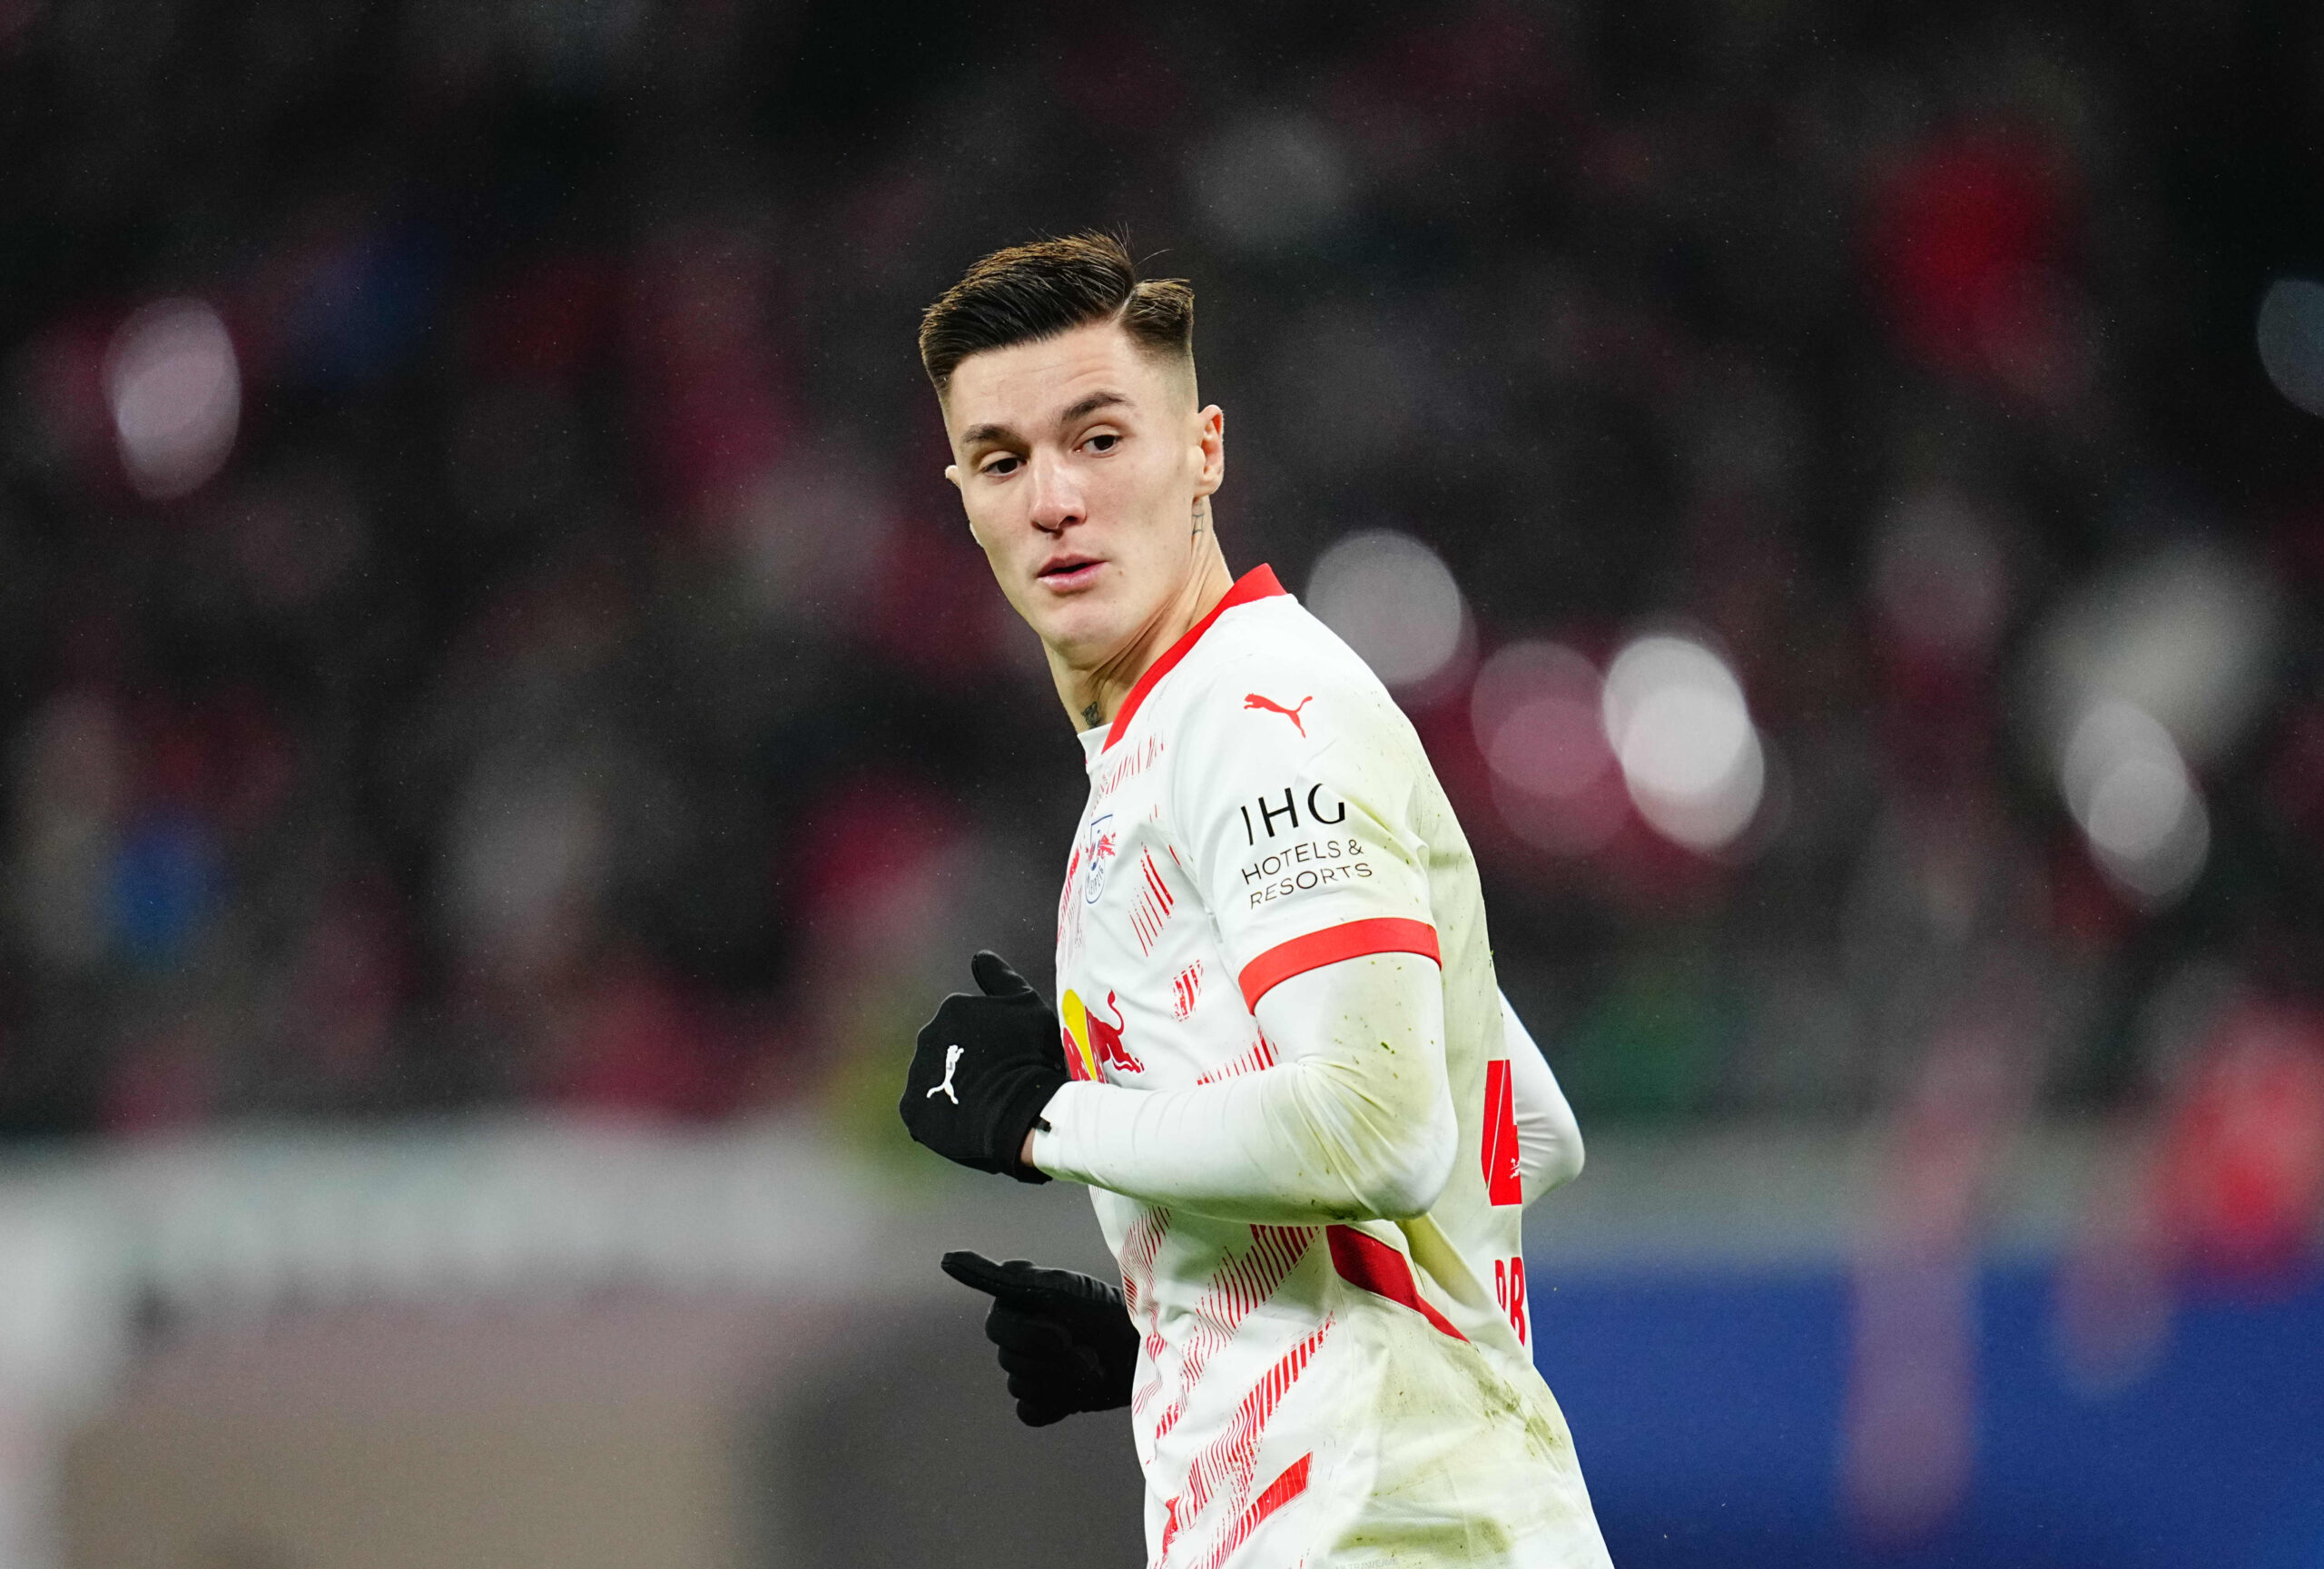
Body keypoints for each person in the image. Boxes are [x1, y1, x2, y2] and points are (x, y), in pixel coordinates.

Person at [898, 232, 1614, 1569]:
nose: (1053, 497)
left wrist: (1042, 1117)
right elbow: (1533, 1128)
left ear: (1204, 451)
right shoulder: (1180, 734)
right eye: (1003, 461)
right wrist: (1193, 1321)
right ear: (965, 497)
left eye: (1099, 438)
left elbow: (1381, 1129)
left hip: (1382, 1527)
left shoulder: (1255, 715)